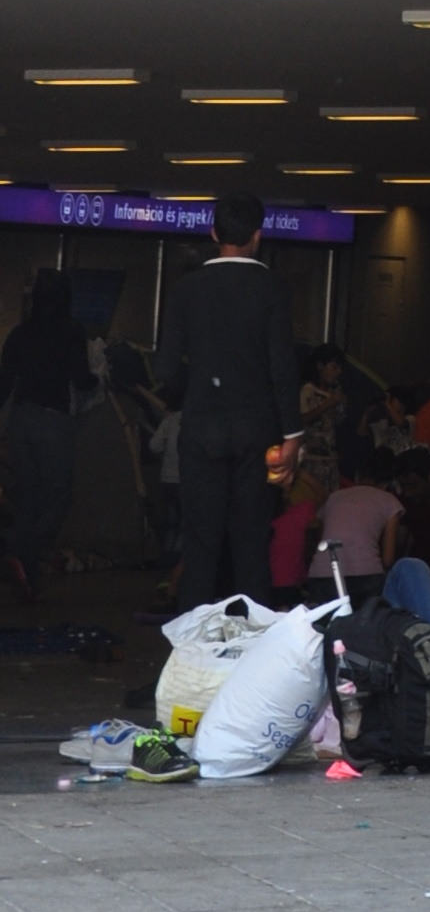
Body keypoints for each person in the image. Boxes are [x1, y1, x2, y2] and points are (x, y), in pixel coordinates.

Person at [153, 190, 304, 605]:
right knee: (251, 545)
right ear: (258, 235)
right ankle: (252, 648)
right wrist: (292, 434)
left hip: (202, 427)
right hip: (256, 430)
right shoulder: (272, 288)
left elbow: (163, 369)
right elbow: (282, 366)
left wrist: (203, 382)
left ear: (213, 231)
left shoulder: (187, 288)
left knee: (201, 545)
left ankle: (192, 652)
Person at [0, 272, 88, 578]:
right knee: (57, 498)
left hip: (19, 420)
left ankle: (16, 560)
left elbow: (4, 384)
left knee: (28, 497)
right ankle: (25, 558)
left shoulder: (20, 333)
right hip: (52, 420)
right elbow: (82, 379)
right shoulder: (71, 332)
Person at [315, 466, 406, 600]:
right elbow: (388, 558)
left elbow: (320, 537)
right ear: (386, 484)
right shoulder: (390, 501)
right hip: (366, 576)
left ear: (358, 477)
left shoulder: (334, 497)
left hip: (322, 573)